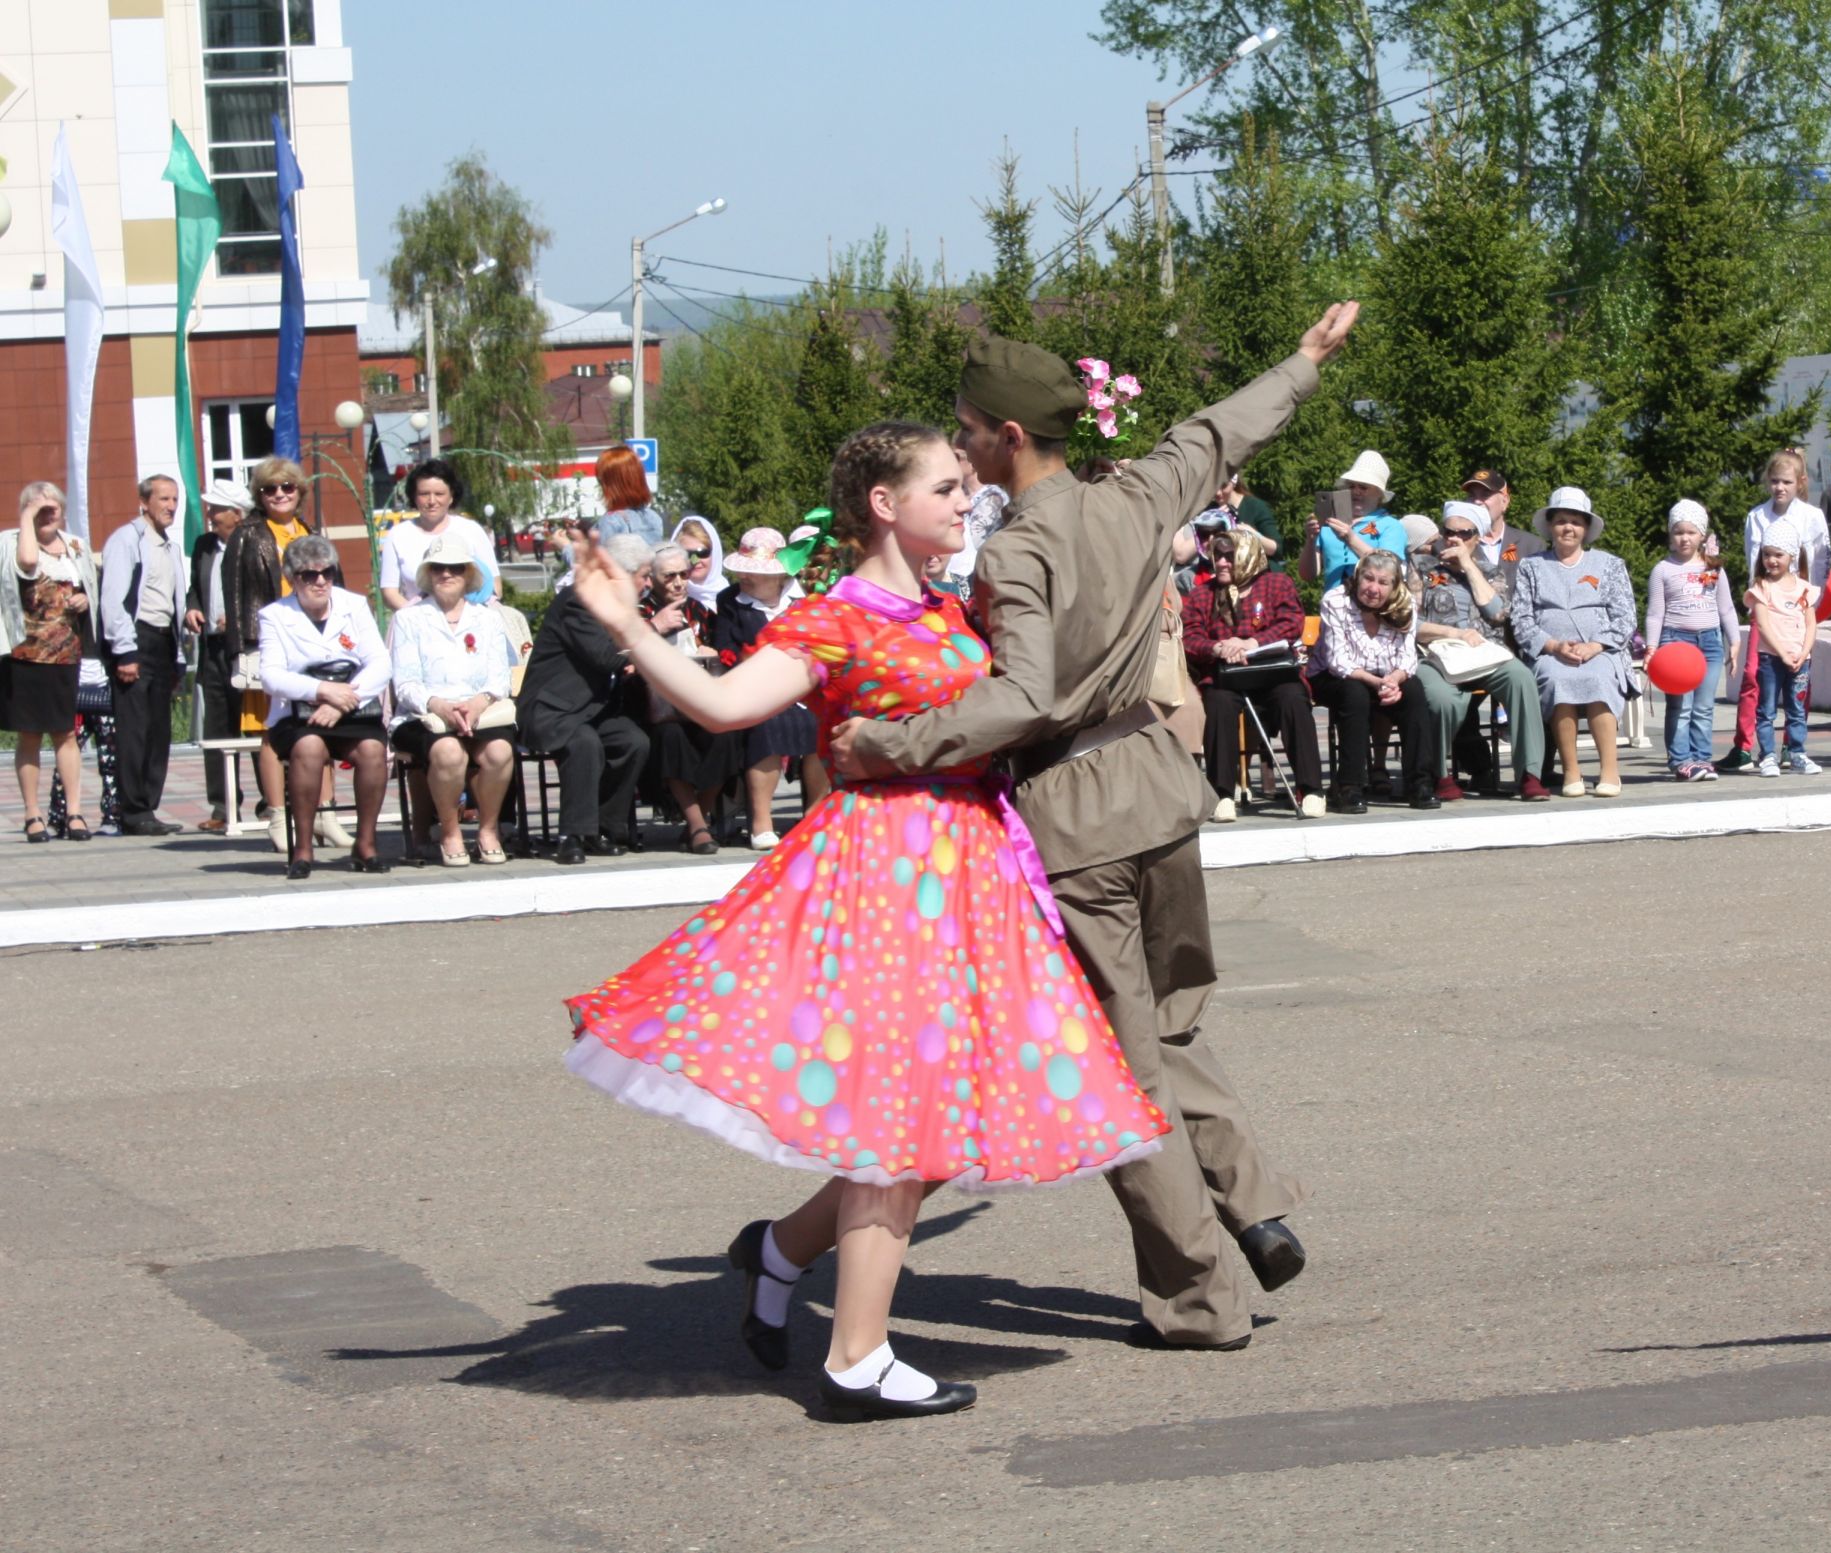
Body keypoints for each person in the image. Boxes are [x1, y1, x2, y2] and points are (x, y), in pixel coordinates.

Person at [563, 419, 1172, 1420]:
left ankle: (779, 1249)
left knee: (942, 1124)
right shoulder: (831, 619)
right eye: (945, 484)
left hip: (972, 873)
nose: (965, 497)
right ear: (884, 504)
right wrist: (627, 626)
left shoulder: (954, 603)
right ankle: (856, 1355)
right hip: (887, 878)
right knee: (903, 1120)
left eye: (966, 483)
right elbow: (721, 704)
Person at [833, 317, 1356, 1352]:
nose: (964, 445)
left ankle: (1201, 1297)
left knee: (1117, 1074)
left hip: (1075, 813)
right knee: (1169, 1024)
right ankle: (1253, 1201)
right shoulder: (1139, 491)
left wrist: (889, 746)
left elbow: (1022, 697)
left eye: (972, 429)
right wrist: (1305, 359)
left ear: (1010, 437)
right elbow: (1223, 431)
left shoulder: (1017, 550)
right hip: (1160, 789)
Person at [257, 535, 391, 879]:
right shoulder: (273, 616)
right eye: (309, 575)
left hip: (352, 708)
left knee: (373, 749)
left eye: (327, 573)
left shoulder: (354, 605)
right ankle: (303, 847)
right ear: (292, 578)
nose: (320, 581)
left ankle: (365, 844)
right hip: (299, 713)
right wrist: (321, 691)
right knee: (310, 746)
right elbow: (271, 676)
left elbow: (380, 663)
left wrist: (343, 701)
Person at [223, 457, 339, 852]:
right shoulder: (247, 533)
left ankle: (325, 814)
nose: (279, 495)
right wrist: (243, 651)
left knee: (320, 723)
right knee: (271, 731)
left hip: (310, 641)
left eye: (287, 487)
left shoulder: (308, 530)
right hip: (266, 641)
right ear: (259, 495)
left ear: (300, 491)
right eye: (270, 489)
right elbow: (236, 593)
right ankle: (277, 814)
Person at [518, 533, 654, 865]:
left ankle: (602, 829)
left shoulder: (618, 606)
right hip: (552, 707)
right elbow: (605, 657)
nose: (650, 583)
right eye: (645, 575)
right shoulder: (580, 600)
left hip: (592, 708)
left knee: (633, 742)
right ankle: (571, 836)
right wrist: (654, 631)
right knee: (585, 744)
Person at [389, 535, 517, 865]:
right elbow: (405, 683)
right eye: (438, 568)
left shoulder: (488, 619)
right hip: (424, 716)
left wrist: (477, 704)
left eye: (455, 568)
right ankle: (449, 831)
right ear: (428, 574)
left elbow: (500, 678)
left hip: (480, 713)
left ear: (468, 575)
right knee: (448, 751)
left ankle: (488, 830)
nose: (447, 574)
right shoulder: (408, 618)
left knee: (500, 751)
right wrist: (440, 706)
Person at [1182, 525, 1324, 819]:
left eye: (1229, 556)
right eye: (1217, 555)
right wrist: (1219, 648)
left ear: (1247, 556)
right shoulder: (1201, 595)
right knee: (1218, 704)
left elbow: (1291, 622)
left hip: (1273, 672)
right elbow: (1190, 636)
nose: (1220, 562)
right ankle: (1221, 793)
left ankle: (1311, 790)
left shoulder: (1277, 584)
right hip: (1226, 675)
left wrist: (1251, 642)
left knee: (1293, 700)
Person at [1412, 501, 1549, 801]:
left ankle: (1530, 774)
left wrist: (1468, 566)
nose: (1455, 539)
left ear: (1478, 536)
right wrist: (1454, 633)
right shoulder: (1421, 568)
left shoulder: (1490, 571)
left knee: (1521, 679)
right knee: (1442, 699)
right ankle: (1442, 774)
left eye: (1464, 533)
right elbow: (1409, 621)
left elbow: (1498, 613)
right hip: (1436, 654)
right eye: (1449, 531)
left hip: (1485, 654)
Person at [1511, 486, 1635, 798]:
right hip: (1552, 651)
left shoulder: (1610, 564)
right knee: (1557, 679)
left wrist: (1596, 646)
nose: (1569, 528)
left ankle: (1609, 770)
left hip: (1599, 650)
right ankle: (1571, 770)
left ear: (1586, 528)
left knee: (1599, 677)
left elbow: (1625, 617)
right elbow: (1521, 619)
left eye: (1576, 522)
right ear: (1551, 526)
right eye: (1562, 520)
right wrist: (1553, 646)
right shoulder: (1531, 566)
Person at [711, 526, 828, 849]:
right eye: (742, 571)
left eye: (753, 572)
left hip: (805, 687)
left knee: (821, 722)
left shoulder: (806, 599)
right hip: (755, 688)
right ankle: (762, 822)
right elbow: (725, 647)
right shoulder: (731, 601)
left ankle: (815, 814)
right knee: (766, 725)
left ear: (778, 575)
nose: (744, 577)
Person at [1720, 450, 1831, 772]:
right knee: (1754, 675)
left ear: (1800, 483)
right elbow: (1751, 557)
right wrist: (1760, 599)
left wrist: (1811, 602)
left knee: (1798, 677)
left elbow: (1821, 561)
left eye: (1786, 482)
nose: (1779, 487)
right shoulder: (1757, 516)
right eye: (1774, 481)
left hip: (1797, 606)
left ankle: (1791, 748)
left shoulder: (1811, 516)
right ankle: (1746, 745)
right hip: (1766, 606)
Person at [2, 482, 98, 841]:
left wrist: (84, 600)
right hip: (25, 653)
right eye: (39, 508)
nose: (48, 513)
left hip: (65, 653)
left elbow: (90, 586)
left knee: (66, 732)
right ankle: (32, 814)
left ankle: (74, 812)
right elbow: (27, 564)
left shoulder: (74, 546)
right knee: (29, 734)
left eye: (53, 506)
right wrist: (27, 516)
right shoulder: (13, 543)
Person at [1309, 549, 1437, 812]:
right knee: (1354, 693)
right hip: (1335, 677)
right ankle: (1349, 786)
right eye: (1368, 578)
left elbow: (1407, 657)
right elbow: (1338, 662)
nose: (1373, 588)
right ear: (1358, 578)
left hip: (1386, 676)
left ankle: (1420, 784)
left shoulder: (1405, 605)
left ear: (1394, 586)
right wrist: (1378, 683)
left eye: (1383, 582)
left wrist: (1394, 679)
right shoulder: (1336, 601)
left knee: (1413, 690)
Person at [98, 474, 189, 837]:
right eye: (164, 499)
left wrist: (178, 653)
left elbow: (174, 601)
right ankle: (133, 811)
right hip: (138, 640)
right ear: (144, 502)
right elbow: (114, 599)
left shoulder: (167, 545)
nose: (170, 506)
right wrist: (125, 651)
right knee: (135, 730)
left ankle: (148, 806)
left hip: (164, 643)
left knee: (158, 730)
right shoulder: (127, 539)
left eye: (174, 500)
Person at [642, 541, 740, 854]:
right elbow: (621, 653)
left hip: (699, 705)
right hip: (655, 710)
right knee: (671, 736)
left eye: (683, 574)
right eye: (669, 576)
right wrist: (654, 631)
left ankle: (700, 817)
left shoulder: (699, 611)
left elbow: (727, 655)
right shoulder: (639, 613)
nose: (678, 582)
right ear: (653, 579)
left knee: (727, 734)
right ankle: (698, 825)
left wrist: (715, 654)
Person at [1644, 500, 1739, 782]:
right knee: (1681, 707)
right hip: (1676, 643)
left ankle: (1702, 758)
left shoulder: (1713, 568)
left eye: (1691, 532)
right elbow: (1655, 612)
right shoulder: (1662, 569)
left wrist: (1733, 641)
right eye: (1678, 532)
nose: (1684, 538)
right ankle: (1681, 761)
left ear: (1701, 535)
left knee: (1704, 706)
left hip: (1710, 642)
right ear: (1670, 535)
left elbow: (1726, 608)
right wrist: (1652, 647)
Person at [186, 479, 252, 830]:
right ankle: (224, 807)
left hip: (245, 649)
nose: (210, 516)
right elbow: (194, 588)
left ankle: (270, 804)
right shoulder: (204, 546)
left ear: (237, 515)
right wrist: (192, 608)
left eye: (216, 510)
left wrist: (239, 619)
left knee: (256, 724)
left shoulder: (255, 544)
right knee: (217, 729)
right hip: (211, 648)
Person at [1746, 519, 1821, 778]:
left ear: (1792, 556)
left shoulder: (1804, 588)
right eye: (1767, 554)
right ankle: (1767, 755)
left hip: (1800, 659)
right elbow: (1763, 626)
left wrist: (1803, 652)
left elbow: (1811, 624)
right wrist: (1782, 653)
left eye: (1778, 555)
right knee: (1766, 708)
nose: (1772, 560)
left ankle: (1797, 752)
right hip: (1771, 658)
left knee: (1796, 708)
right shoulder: (1761, 587)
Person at [377, 459, 498, 611]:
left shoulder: (472, 530)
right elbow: (389, 591)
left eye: (439, 494)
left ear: (451, 496)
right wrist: (415, 617)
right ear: (414, 496)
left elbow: (494, 584)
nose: (432, 501)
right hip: (418, 624)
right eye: (424, 494)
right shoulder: (397, 535)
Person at [1299, 448, 1407, 590]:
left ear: (1379, 493)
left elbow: (1389, 570)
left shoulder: (1391, 526)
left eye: (1363, 487)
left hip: (1373, 607)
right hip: (1334, 606)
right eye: (1351, 486)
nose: (1356, 492)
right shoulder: (1329, 524)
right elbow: (1307, 576)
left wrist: (1351, 539)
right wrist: (1310, 540)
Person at [944, 433, 1008, 602]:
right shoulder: (963, 496)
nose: (952, 462)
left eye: (957, 456)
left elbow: (983, 550)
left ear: (972, 459)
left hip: (970, 585)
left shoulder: (992, 499)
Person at [589, 444, 663, 545]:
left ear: (610, 484)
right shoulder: (653, 517)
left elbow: (599, 560)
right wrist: (592, 528)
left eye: (601, 480)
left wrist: (566, 546)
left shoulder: (610, 522)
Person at [1213, 473, 1282, 568]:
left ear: (1234, 482)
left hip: (1258, 572)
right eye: (1213, 487)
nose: (1218, 493)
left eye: (1224, 486)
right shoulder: (1209, 512)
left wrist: (1252, 534)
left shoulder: (1255, 506)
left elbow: (1276, 549)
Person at [669, 516, 726, 613]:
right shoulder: (668, 600)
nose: (695, 560)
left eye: (702, 552)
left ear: (715, 554)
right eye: (687, 554)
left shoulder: (732, 599)